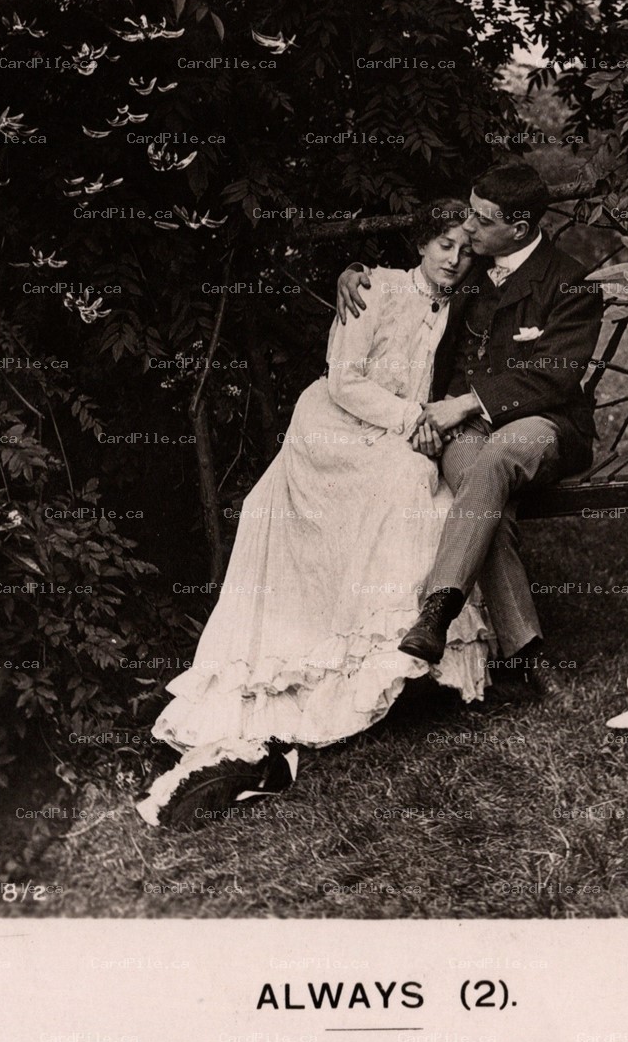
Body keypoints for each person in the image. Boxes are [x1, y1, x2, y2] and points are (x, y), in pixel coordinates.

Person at [136, 200, 492, 829]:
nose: (454, 259)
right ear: (421, 244)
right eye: (444, 245)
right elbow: (345, 382)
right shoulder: (373, 290)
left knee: (423, 488)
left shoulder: (459, 300)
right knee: (407, 481)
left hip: (399, 432)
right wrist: (413, 419)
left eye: (465, 250)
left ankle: (405, 661)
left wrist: (426, 421)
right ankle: (349, 667)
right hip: (336, 427)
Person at [336, 160, 605, 688]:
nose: (469, 227)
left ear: (518, 229)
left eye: (482, 219)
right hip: (466, 433)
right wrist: (353, 271)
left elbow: (554, 377)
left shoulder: (570, 282)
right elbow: (411, 283)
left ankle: (438, 609)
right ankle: (528, 655)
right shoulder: (471, 265)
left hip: (544, 424)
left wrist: (461, 405)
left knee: (497, 458)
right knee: (487, 504)